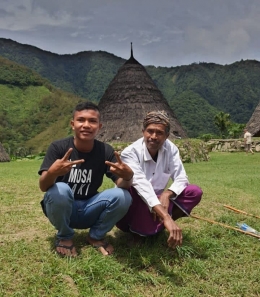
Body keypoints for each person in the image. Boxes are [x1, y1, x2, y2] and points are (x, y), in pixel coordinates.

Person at [38, 102, 133, 257]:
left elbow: (121, 185)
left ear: (100, 126)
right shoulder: (58, 147)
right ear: (72, 124)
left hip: (90, 208)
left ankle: (96, 236)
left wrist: (128, 176)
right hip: (64, 209)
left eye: (92, 121)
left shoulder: (105, 150)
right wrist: (52, 173)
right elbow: (43, 186)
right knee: (59, 189)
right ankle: (64, 236)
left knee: (124, 196)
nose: (86, 125)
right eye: (81, 120)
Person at [116, 110, 202, 249]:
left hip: (160, 199)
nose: (154, 136)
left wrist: (167, 194)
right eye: (150, 131)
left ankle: (158, 226)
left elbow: (181, 177)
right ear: (143, 131)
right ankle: (138, 232)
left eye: (159, 133)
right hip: (137, 200)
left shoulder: (171, 149)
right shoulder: (130, 152)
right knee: (132, 190)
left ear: (167, 135)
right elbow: (141, 185)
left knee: (194, 192)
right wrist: (166, 216)